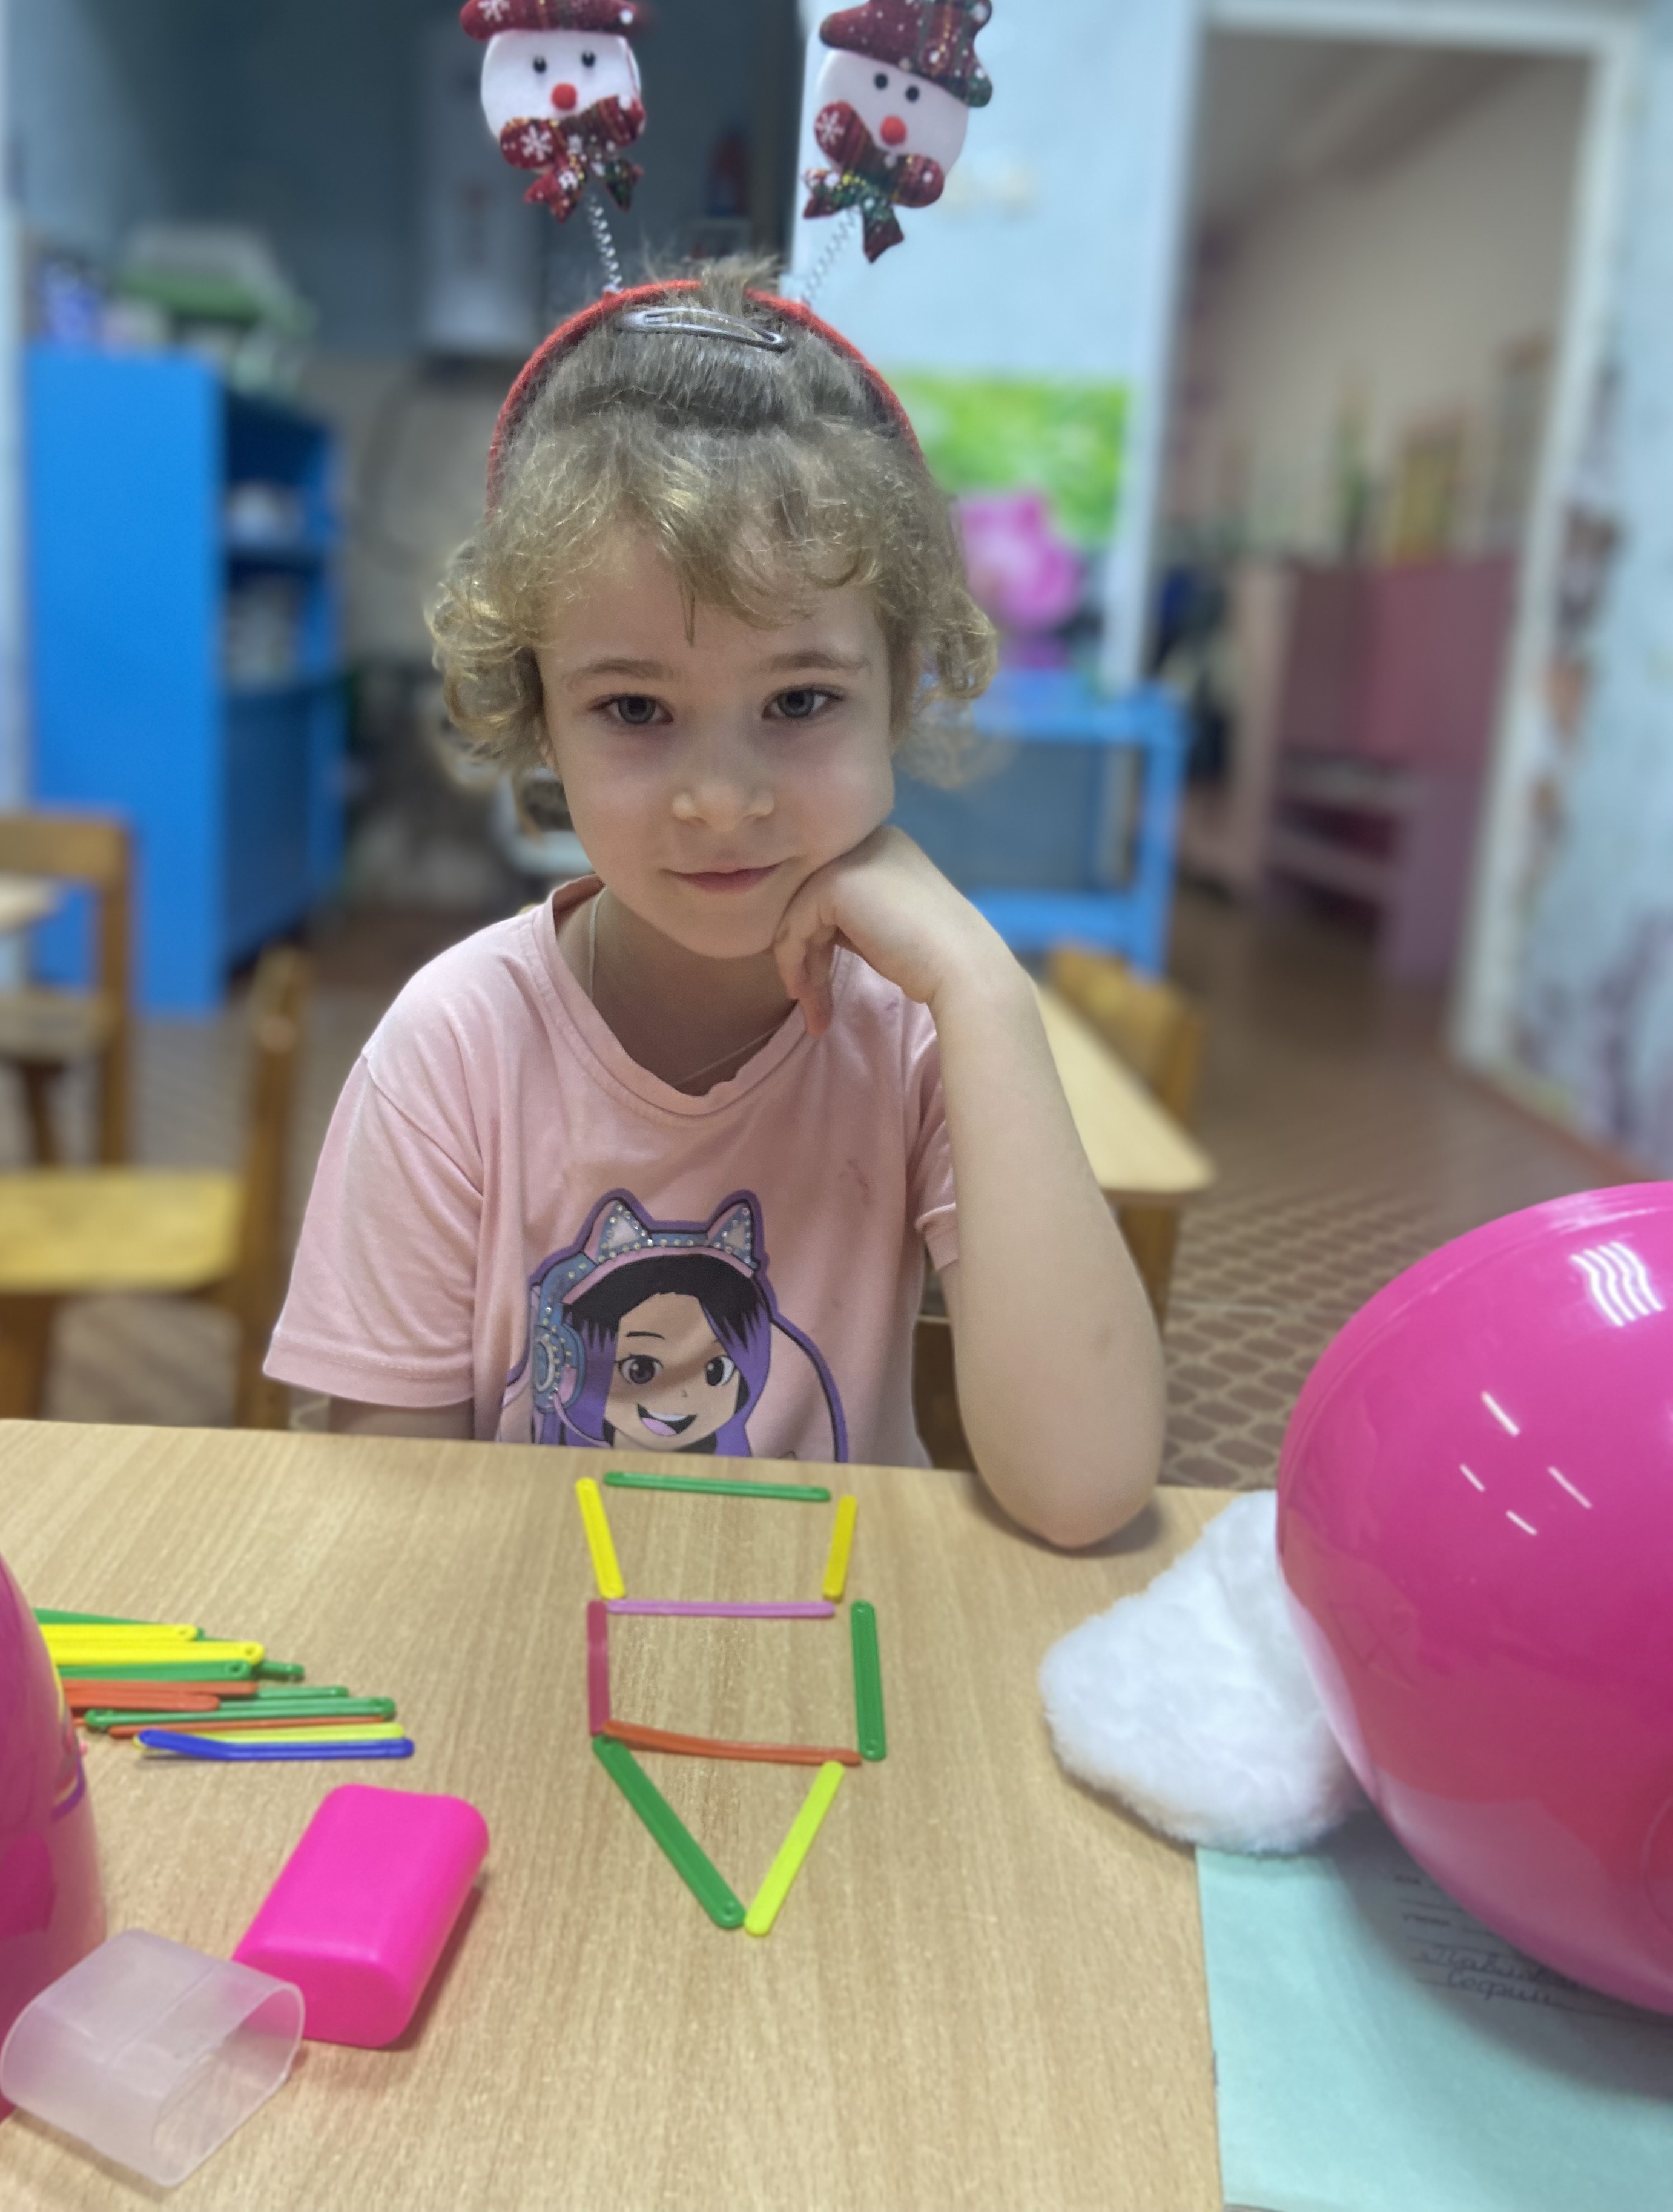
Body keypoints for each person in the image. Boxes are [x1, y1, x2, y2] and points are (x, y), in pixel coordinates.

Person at [266, 260, 1164, 1547]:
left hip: (829, 1640)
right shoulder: (452, 1048)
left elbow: (1085, 1487)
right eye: (636, 708)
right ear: (540, 713)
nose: (722, 801)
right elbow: (387, 1518)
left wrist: (981, 986)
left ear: (901, 688)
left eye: (800, 701)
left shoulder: (920, 1038)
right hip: (531, 1638)